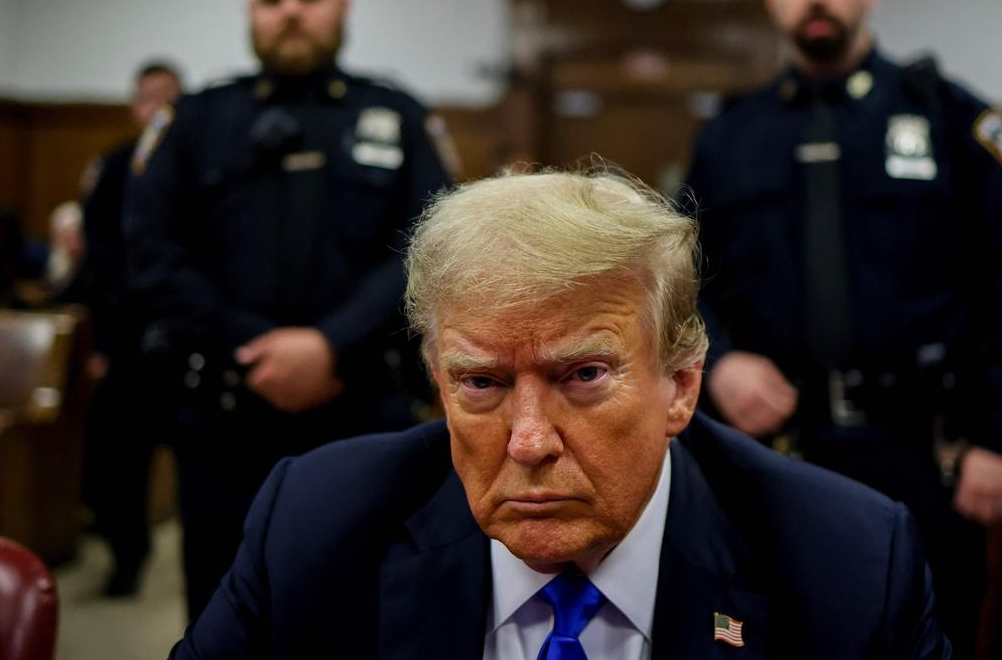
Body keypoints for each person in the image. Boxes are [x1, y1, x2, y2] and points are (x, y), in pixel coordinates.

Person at [170, 168, 948, 659]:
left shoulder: (846, 566)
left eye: (582, 375)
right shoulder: (313, 525)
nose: (530, 440)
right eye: (481, 383)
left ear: (680, 385)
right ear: (438, 381)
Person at [683, 0, 1002, 655]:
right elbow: (677, 275)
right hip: (776, 448)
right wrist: (722, 360)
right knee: (774, 635)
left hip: (925, 455)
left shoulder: (950, 119)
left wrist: (995, 437)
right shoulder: (732, 136)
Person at [124, 0, 452, 617]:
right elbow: (152, 254)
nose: (292, 11)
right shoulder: (196, 122)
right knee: (226, 610)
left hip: (363, 410)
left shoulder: (396, 115)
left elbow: (433, 245)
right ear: (251, 12)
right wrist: (257, 348)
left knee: (370, 610)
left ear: (342, 5)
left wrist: (329, 344)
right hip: (224, 415)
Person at [80, 60, 183, 596]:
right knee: (118, 460)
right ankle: (126, 556)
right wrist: (101, 342)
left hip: (187, 339)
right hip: (125, 340)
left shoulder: (198, 165)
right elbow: (95, 260)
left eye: (167, 96)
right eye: (147, 97)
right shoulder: (114, 167)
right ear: (132, 105)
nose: (156, 108)